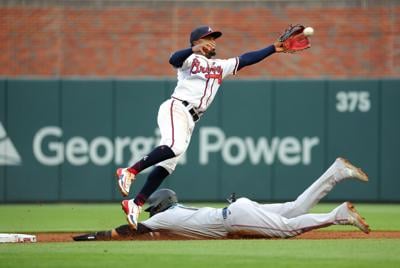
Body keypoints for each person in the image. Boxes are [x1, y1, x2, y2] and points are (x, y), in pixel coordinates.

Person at [115, 25, 288, 229]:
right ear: (196, 42)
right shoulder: (190, 59)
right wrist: (193, 50)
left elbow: (247, 58)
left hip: (191, 119)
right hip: (177, 107)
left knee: (168, 165)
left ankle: (135, 203)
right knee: (175, 147)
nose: (212, 41)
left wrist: (273, 48)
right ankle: (130, 171)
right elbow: (173, 59)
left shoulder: (220, 66)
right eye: (208, 38)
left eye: (214, 38)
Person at [76, 158, 370, 241]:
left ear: (159, 206)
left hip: (235, 217)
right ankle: (336, 172)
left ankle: (339, 214)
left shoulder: (163, 218)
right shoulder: (174, 214)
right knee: (293, 209)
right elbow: (148, 234)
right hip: (236, 211)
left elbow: (131, 230)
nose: (151, 211)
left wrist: (95, 236)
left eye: (153, 207)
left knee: (286, 229)